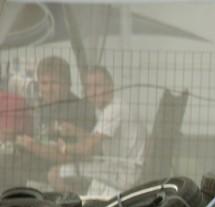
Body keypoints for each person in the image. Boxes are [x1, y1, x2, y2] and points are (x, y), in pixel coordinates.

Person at [47, 65, 146, 197]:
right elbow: (95, 140)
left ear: (110, 86)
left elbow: (88, 149)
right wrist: (75, 131)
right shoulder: (111, 106)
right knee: (75, 172)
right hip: (116, 166)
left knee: (55, 174)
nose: (92, 92)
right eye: (88, 87)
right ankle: (84, 204)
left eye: (97, 86)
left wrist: (63, 147)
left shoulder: (114, 110)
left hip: (124, 172)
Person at [14, 57, 95, 176]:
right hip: (35, 173)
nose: (48, 89)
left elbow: (80, 157)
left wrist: (34, 146)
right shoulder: (40, 106)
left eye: (55, 83)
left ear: (68, 84)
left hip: (65, 178)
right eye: (44, 83)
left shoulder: (81, 109)